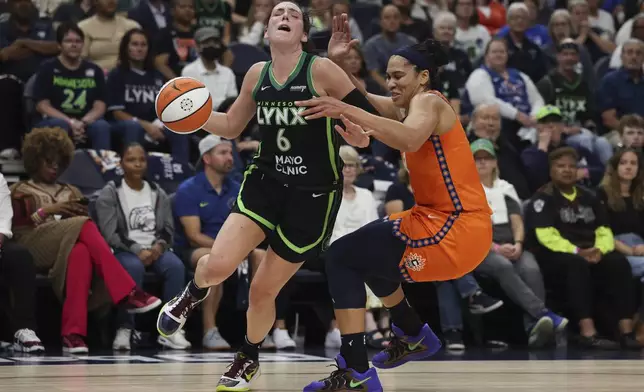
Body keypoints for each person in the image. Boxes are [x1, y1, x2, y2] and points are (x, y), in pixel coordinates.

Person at [156, 3, 377, 390]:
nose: (284, 15)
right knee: (218, 265)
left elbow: (365, 116)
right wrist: (190, 113)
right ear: (265, 30)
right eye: (277, 13)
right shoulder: (256, 74)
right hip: (265, 182)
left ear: (305, 33)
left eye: (293, 13)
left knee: (262, 290)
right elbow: (230, 125)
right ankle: (192, 294)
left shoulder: (321, 69)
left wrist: (362, 136)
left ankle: (247, 356)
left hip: (312, 197)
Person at [295, 15, 497, 391]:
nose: (390, 83)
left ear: (423, 76)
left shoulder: (431, 103)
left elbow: (407, 139)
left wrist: (346, 112)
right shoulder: (408, 105)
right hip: (433, 219)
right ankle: (411, 334)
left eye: (398, 76)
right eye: (387, 76)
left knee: (342, 257)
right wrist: (337, 63)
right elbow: (358, 100)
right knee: (362, 256)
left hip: (457, 228)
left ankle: (358, 370)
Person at [10, 127, 161, 353]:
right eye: (48, 161)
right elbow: (17, 227)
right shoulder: (19, 189)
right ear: (35, 159)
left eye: (59, 162)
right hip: (31, 244)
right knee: (82, 226)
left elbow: (84, 223)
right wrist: (48, 210)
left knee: (80, 252)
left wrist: (69, 215)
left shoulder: (71, 189)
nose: (54, 167)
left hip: (66, 247)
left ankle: (73, 334)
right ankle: (127, 292)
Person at [96, 143, 189, 351]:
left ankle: (170, 329)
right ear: (121, 164)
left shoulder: (158, 192)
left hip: (155, 249)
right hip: (124, 250)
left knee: (175, 267)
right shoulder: (110, 192)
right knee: (133, 267)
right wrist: (138, 250)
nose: (137, 164)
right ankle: (125, 327)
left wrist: (158, 247)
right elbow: (110, 233)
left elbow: (167, 229)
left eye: (142, 159)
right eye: (131, 159)